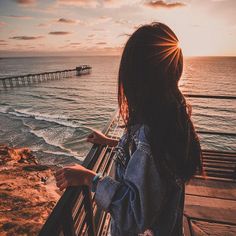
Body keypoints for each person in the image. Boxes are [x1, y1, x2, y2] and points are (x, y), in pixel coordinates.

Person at [55, 22, 203, 236]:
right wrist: (112, 143)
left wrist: (89, 178)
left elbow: (133, 215)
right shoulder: (171, 118)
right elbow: (149, 164)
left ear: (138, 80)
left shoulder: (151, 135)